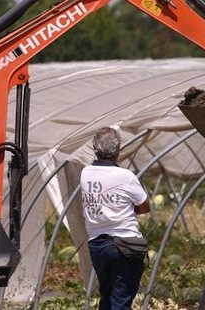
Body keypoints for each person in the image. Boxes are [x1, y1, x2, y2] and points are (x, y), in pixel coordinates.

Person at [81, 127, 150, 310]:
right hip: (125, 245)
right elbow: (144, 206)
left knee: (107, 296)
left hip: (97, 244)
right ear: (118, 150)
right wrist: (124, 209)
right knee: (121, 300)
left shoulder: (86, 173)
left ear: (94, 148)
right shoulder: (126, 176)